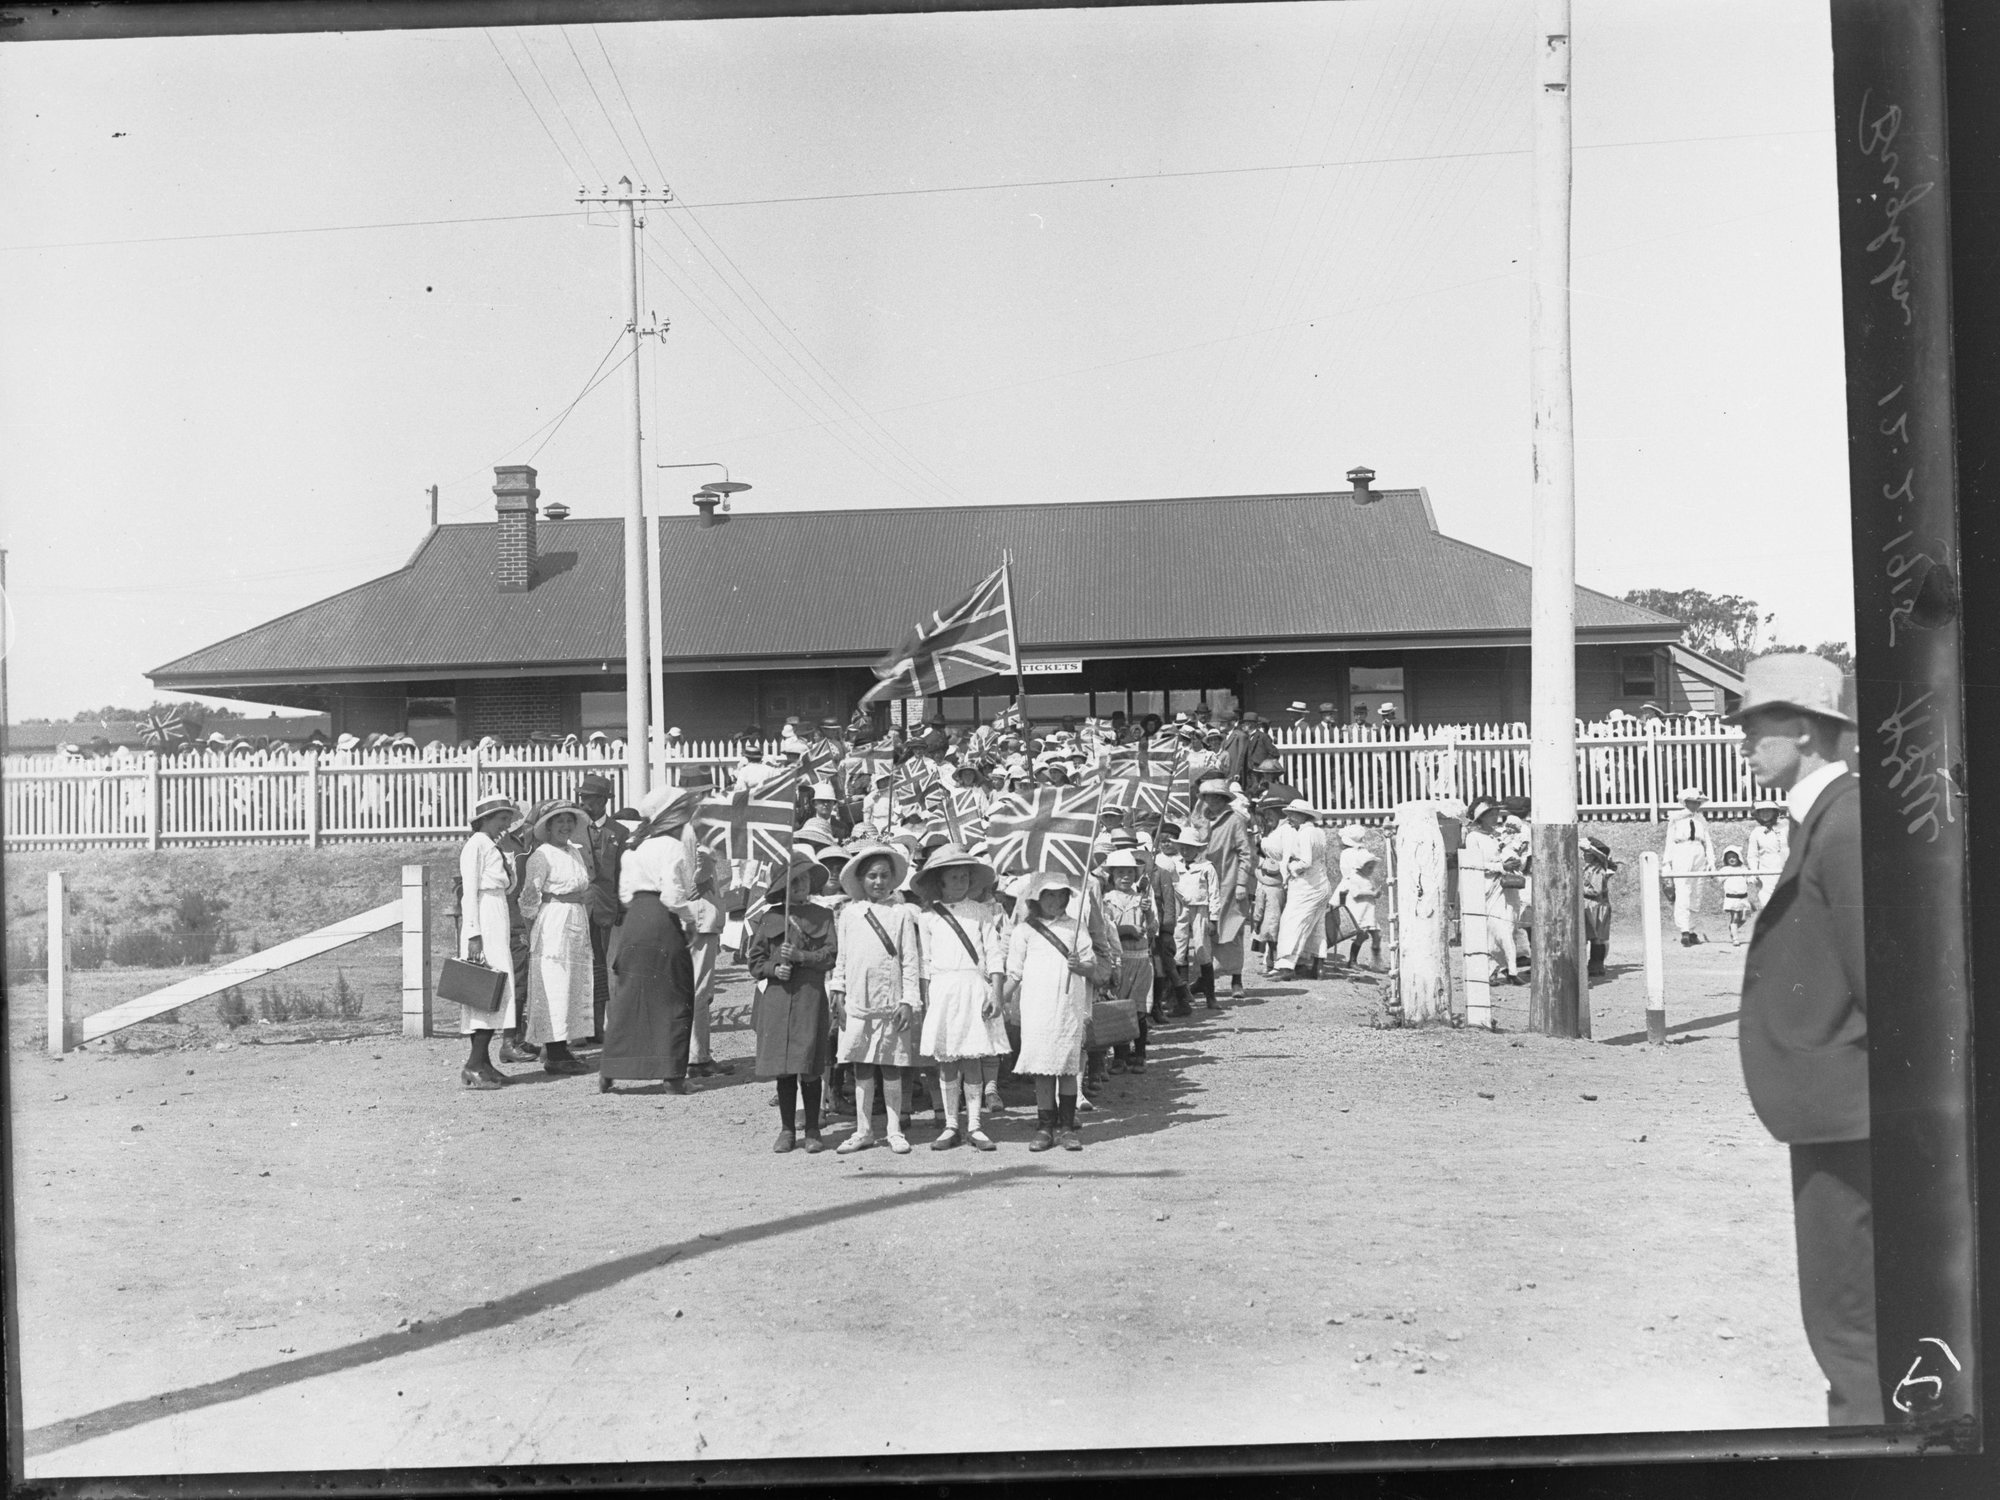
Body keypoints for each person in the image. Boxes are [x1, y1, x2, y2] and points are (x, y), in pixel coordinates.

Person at [1727, 651, 1877, 1426]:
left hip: (1853, 1109)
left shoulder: (1846, 826)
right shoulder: (1824, 820)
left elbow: (1886, 986)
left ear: (1809, 733)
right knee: (1847, 1310)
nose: (1744, 740)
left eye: (1756, 725)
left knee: (1849, 1316)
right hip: (1838, 1106)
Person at [599, 782, 705, 1096]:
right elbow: (673, 895)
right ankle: (673, 1076)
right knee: (674, 995)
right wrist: (690, 919)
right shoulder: (671, 848)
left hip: (636, 921)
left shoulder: (636, 849)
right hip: (661, 920)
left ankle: (612, 1067)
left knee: (630, 995)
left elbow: (624, 894)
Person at [1003, 871, 1115, 1151]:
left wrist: (1081, 967)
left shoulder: (1076, 928)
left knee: (1066, 1067)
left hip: (1068, 1006)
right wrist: (999, 999)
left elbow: (1092, 966)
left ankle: (1066, 1127)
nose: (1054, 900)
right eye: (1048, 895)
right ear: (1036, 899)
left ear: (1068, 897)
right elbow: (1014, 973)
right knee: (1042, 1068)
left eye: (1060, 895)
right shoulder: (1024, 931)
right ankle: (1044, 1127)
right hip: (1037, 1007)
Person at [910, 846, 1008, 1151]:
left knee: (973, 1058)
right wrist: (925, 1001)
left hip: (973, 988)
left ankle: (975, 1125)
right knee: (948, 1060)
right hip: (943, 990)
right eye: (953, 876)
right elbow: (925, 962)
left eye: (965, 876)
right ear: (939, 881)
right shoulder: (928, 918)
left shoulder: (981, 912)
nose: (960, 881)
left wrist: (996, 992)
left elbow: (994, 954)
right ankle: (951, 1124)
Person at [829, 844, 924, 1155]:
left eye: (885, 876)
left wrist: (909, 1000)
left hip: (890, 1003)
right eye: (872, 876)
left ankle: (894, 1129)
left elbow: (910, 960)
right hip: (858, 1002)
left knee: (891, 1065)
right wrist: (838, 991)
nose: (879, 882)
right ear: (861, 879)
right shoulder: (848, 914)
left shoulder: (901, 915)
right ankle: (864, 1129)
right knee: (862, 1066)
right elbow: (842, 958)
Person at [745, 854, 838, 1154]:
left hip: (809, 998)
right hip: (778, 1000)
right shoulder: (770, 918)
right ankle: (787, 1129)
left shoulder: (823, 916)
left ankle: (812, 1128)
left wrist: (802, 958)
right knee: (784, 1067)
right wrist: (774, 968)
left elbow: (831, 955)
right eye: (793, 880)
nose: (801, 885)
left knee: (809, 1063)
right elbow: (755, 960)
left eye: (805, 878)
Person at [517, 803, 596, 1076]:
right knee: (555, 982)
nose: (564, 826)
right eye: (558, 822)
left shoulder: (573, 851)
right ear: (547, 827)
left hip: (576, 918)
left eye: (568, 821)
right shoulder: (541, 855)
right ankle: (554, 1050)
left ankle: (563, 1047)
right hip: (554, 922)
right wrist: (532, 930)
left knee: (574, 982)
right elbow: (529, 898)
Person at [456, 795, 523, 1089]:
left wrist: (509, 863)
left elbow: (508, 887)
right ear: (485, 819)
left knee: (500, 988)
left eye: (508, 820)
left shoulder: (494, 846)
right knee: (484, 988)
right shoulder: (476, 845)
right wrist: (473, 934)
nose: (506, 826)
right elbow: (468, 892)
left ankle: (484, 1063)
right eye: (501, 820)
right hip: (483, 916)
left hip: (497, 913)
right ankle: (473, 1064)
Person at [1192, 777, 1256, 997]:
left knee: (1233, 928)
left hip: (1228, 880)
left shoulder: (1235, 820)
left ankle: (1236, 979)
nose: (1210, 801)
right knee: (1205, 929)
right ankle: (1205, 978)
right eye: (1207, 797)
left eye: (1214, 797)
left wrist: (1241, 882)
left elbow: (1246, 853)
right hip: (1205, 880)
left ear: (1222, 798)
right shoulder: (1201, 818)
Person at [574, 773, 625, 1043]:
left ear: (604, 801)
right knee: (580, 967)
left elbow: (622, 873)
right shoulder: (571, 829)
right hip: (579, 907)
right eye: (582, 798)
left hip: (606, 909)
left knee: (601, 968)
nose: (585, 804)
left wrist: (621, 908)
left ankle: (597, 1027)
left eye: (591, 799)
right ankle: (579, 1028)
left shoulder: (619, 832)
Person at [1099, 849, 1156, 1074]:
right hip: (1120, 960)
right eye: (1120, 873)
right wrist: (1126, 930)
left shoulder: (1142, 899)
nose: (1125, 877)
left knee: (1139, 1008)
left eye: (1130, 873)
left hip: (1141, 959)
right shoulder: (1106, 900)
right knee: (1119, 1008)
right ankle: (1120, 1056)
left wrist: (1149, 914)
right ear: (1112, 876)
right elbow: (1105, 931)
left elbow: (1153, 930)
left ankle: (1139, 1054)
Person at [1458, 796, 1525, 985]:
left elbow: (1507, 854)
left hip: (1506, 887)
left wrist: (1513, 861)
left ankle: (1507, 970)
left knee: (1509, 927)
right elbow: (1475, 863)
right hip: (1487, 887)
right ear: (1481, 817)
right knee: (1496, 930)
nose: (1496, 816)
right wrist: (1500, 866)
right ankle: (1500, 970)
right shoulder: (1473, 838)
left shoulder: (1499, 835)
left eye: (1496, 812)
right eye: (1491, 813)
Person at [686, 837, 737, 1079]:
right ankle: (698, 1056)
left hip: (690, 915)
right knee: (700, 990)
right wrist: (701, 876)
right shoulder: (697, 824)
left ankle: (692, 1053)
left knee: (693, 989)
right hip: (701, 916)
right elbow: (704, 856)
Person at [1271, 800, 1331, 981]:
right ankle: (1318, 966)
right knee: (1317, 925)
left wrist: (1291, 866)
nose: (1289, 818)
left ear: (1304, 815)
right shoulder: (1319, 832)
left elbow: (1306, 861)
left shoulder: (1305, 834)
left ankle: (1286, 966)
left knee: (1291, 922)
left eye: (1293, 814)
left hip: (1307, 885)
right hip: (1321, 883)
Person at [1170, 826, 1222, 1008]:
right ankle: (1179, 997)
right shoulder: (1174, 865)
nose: (1185, 851)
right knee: (1178, 948)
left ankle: (1210, 996)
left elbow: (1214, 893)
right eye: (1182, 847)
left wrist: (1214, 919)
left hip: (1201, 909)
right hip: (1180, 908)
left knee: (1202, 949)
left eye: (1189, 848)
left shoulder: (1206, 867)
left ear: (1198, 849)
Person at [1663, 786, 1717, 945]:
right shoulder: (1676, 818)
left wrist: (1711, 860)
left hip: (1698, 851)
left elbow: (1707, 840)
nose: (1694, 805)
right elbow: (1669, 841)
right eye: (1691, 802)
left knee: (1697, 890)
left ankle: (1692, 930)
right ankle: (1684, 929)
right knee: (1683, 890)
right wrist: (1667, 863)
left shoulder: (1701, 819)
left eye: (1697, 802)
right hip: (1682, 851)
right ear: (1684, 802)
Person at [1333, 824, 1383, 971]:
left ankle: (1375, 960)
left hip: (1365, 899)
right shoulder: (1347, 855)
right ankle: (1353, 960)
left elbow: (1368, 864)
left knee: (1373, 932)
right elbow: (1348, 876)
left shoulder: (1363, 853)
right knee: (1358, 928)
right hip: (1353, 893)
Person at [1581, 836, 1618, 977]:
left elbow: (1595, 890)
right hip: (1592, 905)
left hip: (1596, 905)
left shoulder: (1597, 870)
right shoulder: (1589, 868)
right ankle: (1593, 965)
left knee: (1597, 937)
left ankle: (1596, 965)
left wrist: (1579, 889)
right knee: (1592, 936)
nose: (1584, 855)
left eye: (1587, 853)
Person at [1748, 805, 1789, 906]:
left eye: (1768, 811)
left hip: (1786, 872)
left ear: (1774, 812)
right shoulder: (1757, 832)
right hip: (1766, 875)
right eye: (1762, 811)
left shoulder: (1785, 828)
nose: (1765, 813)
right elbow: (1752, 856)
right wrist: (1754, 872)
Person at [1719, 848, 1756, 945]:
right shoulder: (1725, 870)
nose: (1732, 859)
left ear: (1738, 857)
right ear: (1726, 859)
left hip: (1743, 898)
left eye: (1734, 857)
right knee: (1735, 917)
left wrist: (1753, 879)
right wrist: (1713, 875)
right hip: (1732, 898)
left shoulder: (1743, 869)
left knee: (1744, 917)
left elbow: (1749, 878)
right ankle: (1735, 938)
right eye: (1729, 858)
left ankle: (1732, 928)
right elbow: (1718, 879)